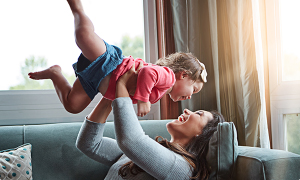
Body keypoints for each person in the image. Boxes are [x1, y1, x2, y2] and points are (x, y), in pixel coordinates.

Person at [28, 0, 207, 117]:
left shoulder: (160, 93)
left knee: (72, 106)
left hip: (97, 82)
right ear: (183, 75)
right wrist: (143, 99)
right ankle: (77, 7)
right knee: (83, 36)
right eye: (194, 89)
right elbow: (147, 72)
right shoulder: (167, 77)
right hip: (110, 65)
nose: (190, 96)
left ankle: (55, 73)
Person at [75, 63, 226, 180]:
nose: (187, 110)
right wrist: (111, 92)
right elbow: (89, 144)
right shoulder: (148, 151)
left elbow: (131, 141)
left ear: (203, 133)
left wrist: (121, 87)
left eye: (199, 114)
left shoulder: (181, 168)